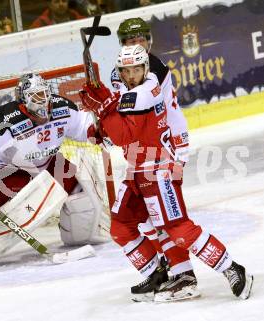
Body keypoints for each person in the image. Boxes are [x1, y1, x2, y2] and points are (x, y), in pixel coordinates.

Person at [80, 44, 254, 301]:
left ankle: (232, 268)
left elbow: (124, 133)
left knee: (178, 230)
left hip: (157, 170)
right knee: (120, 226)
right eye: (125, 71)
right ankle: (160, 274)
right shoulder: (131, 91)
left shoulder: (148, 89)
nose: (130, 75)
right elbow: (120, 122)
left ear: (145, 68)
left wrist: (104, 108)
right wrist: (102, 120)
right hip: (137, 171)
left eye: (136, 69)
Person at [0, 72, 110, 271]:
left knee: (83, 193)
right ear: (24, 99)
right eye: (35, 95)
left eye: (44, 94)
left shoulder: (62, 107)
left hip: (49, 164)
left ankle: (80, 235)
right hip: (12, 173)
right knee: (22, 210)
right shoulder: (6, 119)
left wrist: (103, 129)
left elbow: (85, 127)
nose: (43, 101)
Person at [109, 17, 199, 302]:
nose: (137, 45)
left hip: (161, 152)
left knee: (164, 220)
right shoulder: (125, 70)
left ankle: (182, 274)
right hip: (140, 155)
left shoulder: (152, 68)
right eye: (130, 41)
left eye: (141, 40)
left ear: (148, 41)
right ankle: (170, 271)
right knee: (149, 221)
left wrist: (105, 113)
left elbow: (134, 107)